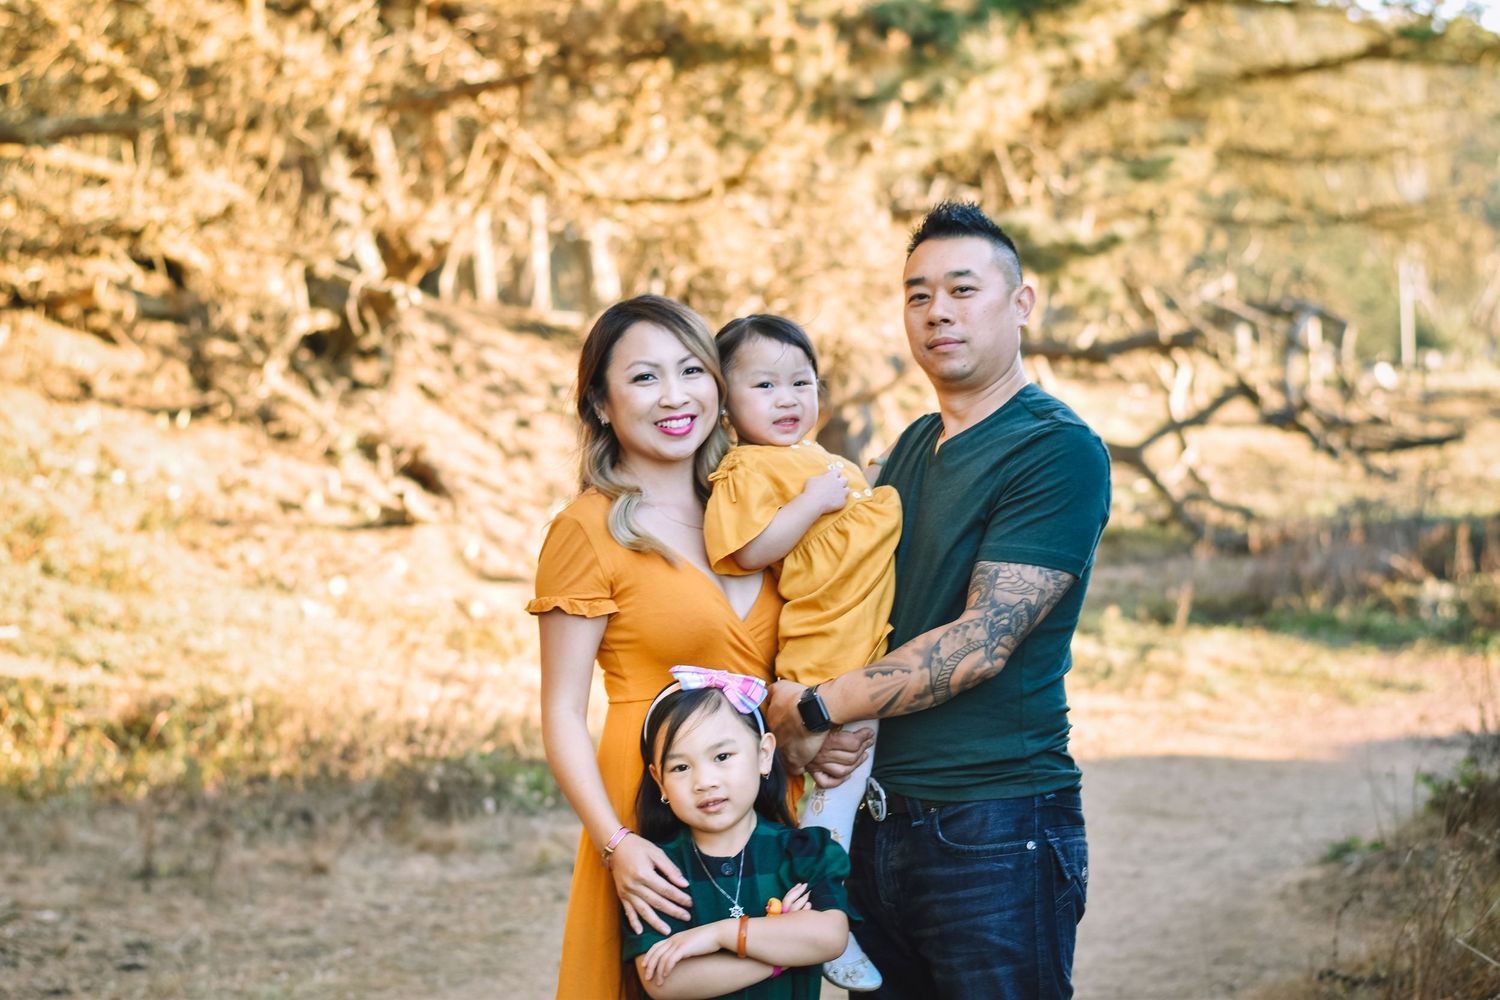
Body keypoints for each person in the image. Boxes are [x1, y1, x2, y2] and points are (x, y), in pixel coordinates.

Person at [766, 202, 1112, 999]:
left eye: (962, 289)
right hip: (874, 818)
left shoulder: (1055, 449)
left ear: (1021, 304)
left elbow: (979, 643)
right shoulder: (912, 447)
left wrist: (814, 707)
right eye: (917, 295)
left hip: (993, 825)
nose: (936, 312)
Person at [528, 295, 872, 999]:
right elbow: (561, 712)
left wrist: (811, 731)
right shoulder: (587, 529)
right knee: (661, 980)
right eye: (644, 377)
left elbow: (819, 631)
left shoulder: (758, 507)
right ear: (600, 403)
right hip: (649, 802)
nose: (675, 395)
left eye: (692, 371)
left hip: (760, 792)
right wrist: (616, 844)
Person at [704, 314, 900, 991]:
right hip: (827, 647)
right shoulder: (746, 468)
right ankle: (823, 915)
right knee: (839, 789)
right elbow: (746, 549)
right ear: (725, 403)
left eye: (801, 382)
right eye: (764, 385)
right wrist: (814, 501)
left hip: (864, 638)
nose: (787, 398)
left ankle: (824, 904)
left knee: (849, 781)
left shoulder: (822, 460)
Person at [626, 666, 854, 999]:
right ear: (659, 781)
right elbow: (663, 980)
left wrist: (720, 935)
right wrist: (780, 952)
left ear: (764, 755)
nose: (704, 781)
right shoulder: (657, 870)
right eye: (680, 767)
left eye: (722, 756)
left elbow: (830, 937)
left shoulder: (803, 851)